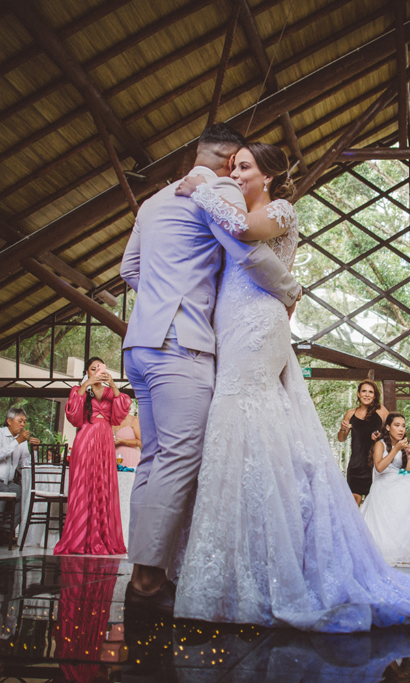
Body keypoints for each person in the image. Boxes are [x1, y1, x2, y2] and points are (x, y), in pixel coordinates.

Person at [170, 141, 410, 630]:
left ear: (268, 176)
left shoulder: (280, 211)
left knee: (241, 410)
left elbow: (245, 230)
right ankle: (248, 556)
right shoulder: (231, 212)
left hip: (259, 323)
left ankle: (272, 563)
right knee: (247, 423)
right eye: (231, 167)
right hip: (228, 320)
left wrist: (205, 186)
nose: (236, 173)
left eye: (244, 167)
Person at [120, 123, 304, 611]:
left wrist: (161, 302)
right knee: (180, 458)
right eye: (237, 164)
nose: (239, 175)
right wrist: (290, 290)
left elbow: (129, 270)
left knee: (154, 457)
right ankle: (146, 582)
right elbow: (246, 251)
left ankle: (140, 570)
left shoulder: (153, 202)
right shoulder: (219, 189)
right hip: (182, 343)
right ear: (227, 163)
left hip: (139, 343)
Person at [53, 357, 130, 556]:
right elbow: (74, 417)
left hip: (105, 442)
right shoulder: (79, 391)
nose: (96, 371)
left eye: (99, 368)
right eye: (92, 368)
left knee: (103, 486)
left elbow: (119, 415)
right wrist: (84, 385)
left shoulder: (109, 393)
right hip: (85, 442)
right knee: (83, 486)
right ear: (87, 372)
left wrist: (113, 385)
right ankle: (79, 538)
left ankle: (104, 537)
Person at [362, 413, 410, 564]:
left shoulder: (401, 446)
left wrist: (408, 457)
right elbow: (379, 467)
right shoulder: (380, 444)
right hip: (384, 482)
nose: (401, 429)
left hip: (397, 480)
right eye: (397, 425)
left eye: (403, 426)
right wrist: (396, 450)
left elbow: (406, 473)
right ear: (388, 427)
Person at [338, 381, 389, 503]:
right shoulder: (351, 413)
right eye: (364, 391)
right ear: (358, 394)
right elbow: (341, 438)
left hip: (375, 464)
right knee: (354, 503)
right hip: (356, 465)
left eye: (370, 392)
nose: (367, 395)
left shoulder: (381, 411)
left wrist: (380, 436)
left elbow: (391, 433)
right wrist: (342, 429)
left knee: (373, 502)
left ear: (375, 396)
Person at [0, 407, 38, 506]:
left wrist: (35, 450)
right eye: (20, 421)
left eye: (24, 422)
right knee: (4, 490)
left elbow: (26, 465)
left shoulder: (21, 440)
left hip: (7, 482)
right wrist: (17, 441)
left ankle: (12, 522)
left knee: (23, 492)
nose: (23, 425)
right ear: (9, 421)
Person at [114, 404, 142, 468]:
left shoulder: (134, 420)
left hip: (130, 458)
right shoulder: (110, 421)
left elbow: (141, 442)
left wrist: (123, 442)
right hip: (112, 460)